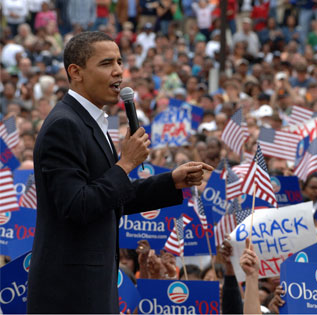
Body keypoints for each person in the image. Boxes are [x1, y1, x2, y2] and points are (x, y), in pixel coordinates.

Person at [27, 31, 213, 313]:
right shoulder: (64, 125)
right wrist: (125, 164)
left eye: (119, 61)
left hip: (94, 286)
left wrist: (171, 182)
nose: (118, 71)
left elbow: (110, 197)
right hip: (70, 292)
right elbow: (78, 204)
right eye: (105, 63)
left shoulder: (90, 121)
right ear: (75, 72)